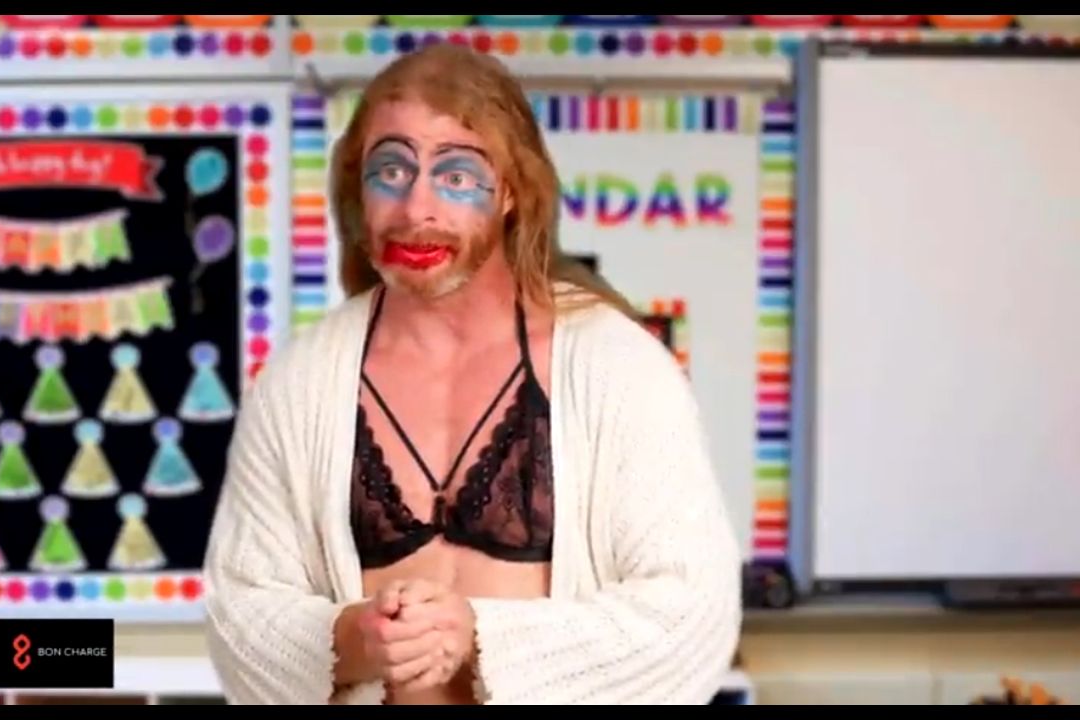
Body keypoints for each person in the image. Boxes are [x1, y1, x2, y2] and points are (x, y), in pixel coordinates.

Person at [202, 43, 741, 705]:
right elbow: (240, 613)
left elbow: (691, 612)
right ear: (356, 188)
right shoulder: (298, 383)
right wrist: (352, 639)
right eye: (390, 171)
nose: (416, 210)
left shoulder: (619, 368)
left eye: (456, 176)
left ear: (511, 190)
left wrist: (477, 637)